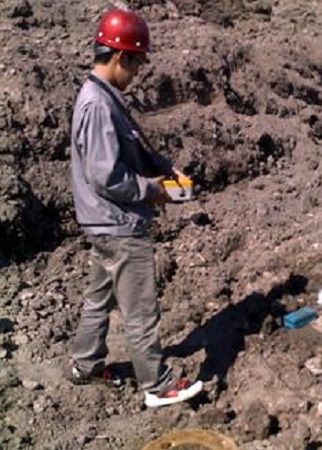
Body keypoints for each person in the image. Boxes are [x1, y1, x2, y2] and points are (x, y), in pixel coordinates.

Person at [68, 7, 203, 407]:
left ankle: (85, 364)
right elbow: (107, 175)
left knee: (100, 296)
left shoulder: (103, 96)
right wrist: (153, 191)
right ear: (121, 57)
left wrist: (163, 169)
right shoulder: (97, 104)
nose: (138, 72)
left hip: (103, 222)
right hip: (119, 223)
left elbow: (126, 150)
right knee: (141, 308)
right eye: (138, 63)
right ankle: (157, 386)